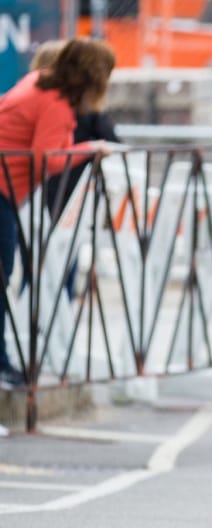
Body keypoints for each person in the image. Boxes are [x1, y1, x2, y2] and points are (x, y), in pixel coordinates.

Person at [0, 37, 115, 388]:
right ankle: (1, 363)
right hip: (2, 190)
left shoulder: (38, 82)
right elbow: (47, 159)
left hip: (7, 191)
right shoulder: (56, 103)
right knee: (2, 275)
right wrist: (90, 148)